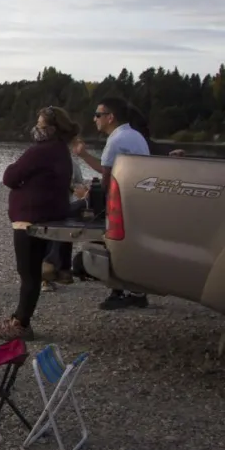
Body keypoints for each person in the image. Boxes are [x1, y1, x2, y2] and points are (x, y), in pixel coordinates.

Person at [0, 106, 79, 341]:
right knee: (32, 273)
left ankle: (20, 323)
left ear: (51, 129)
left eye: (40, 126)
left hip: (29, 219)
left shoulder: (40, 151)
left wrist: (18, 174)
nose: (37, 130)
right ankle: (20, 317)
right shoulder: (61, 150)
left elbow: (10, 177)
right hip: (48, 214)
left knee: (28, 273)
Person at [72, 96, 151, 310]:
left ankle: (118, 291)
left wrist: (82, 155)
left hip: (123, 204)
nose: (95, 119)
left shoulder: (115, 140)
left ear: (110, 117)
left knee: (112, 246)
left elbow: (106, 178)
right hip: (139, 199)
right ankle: (137, 292)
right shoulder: (136, 136)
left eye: (98, 115)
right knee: (131, 247)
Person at [41, 158, 86, 290]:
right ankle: (47, 276)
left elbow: (79, 185)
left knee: (64, 236)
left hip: (65, 206)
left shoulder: (72, 163)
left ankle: (61, 271)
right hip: (46, 206)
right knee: (49, 238)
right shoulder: (42, 160)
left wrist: (77, 189)